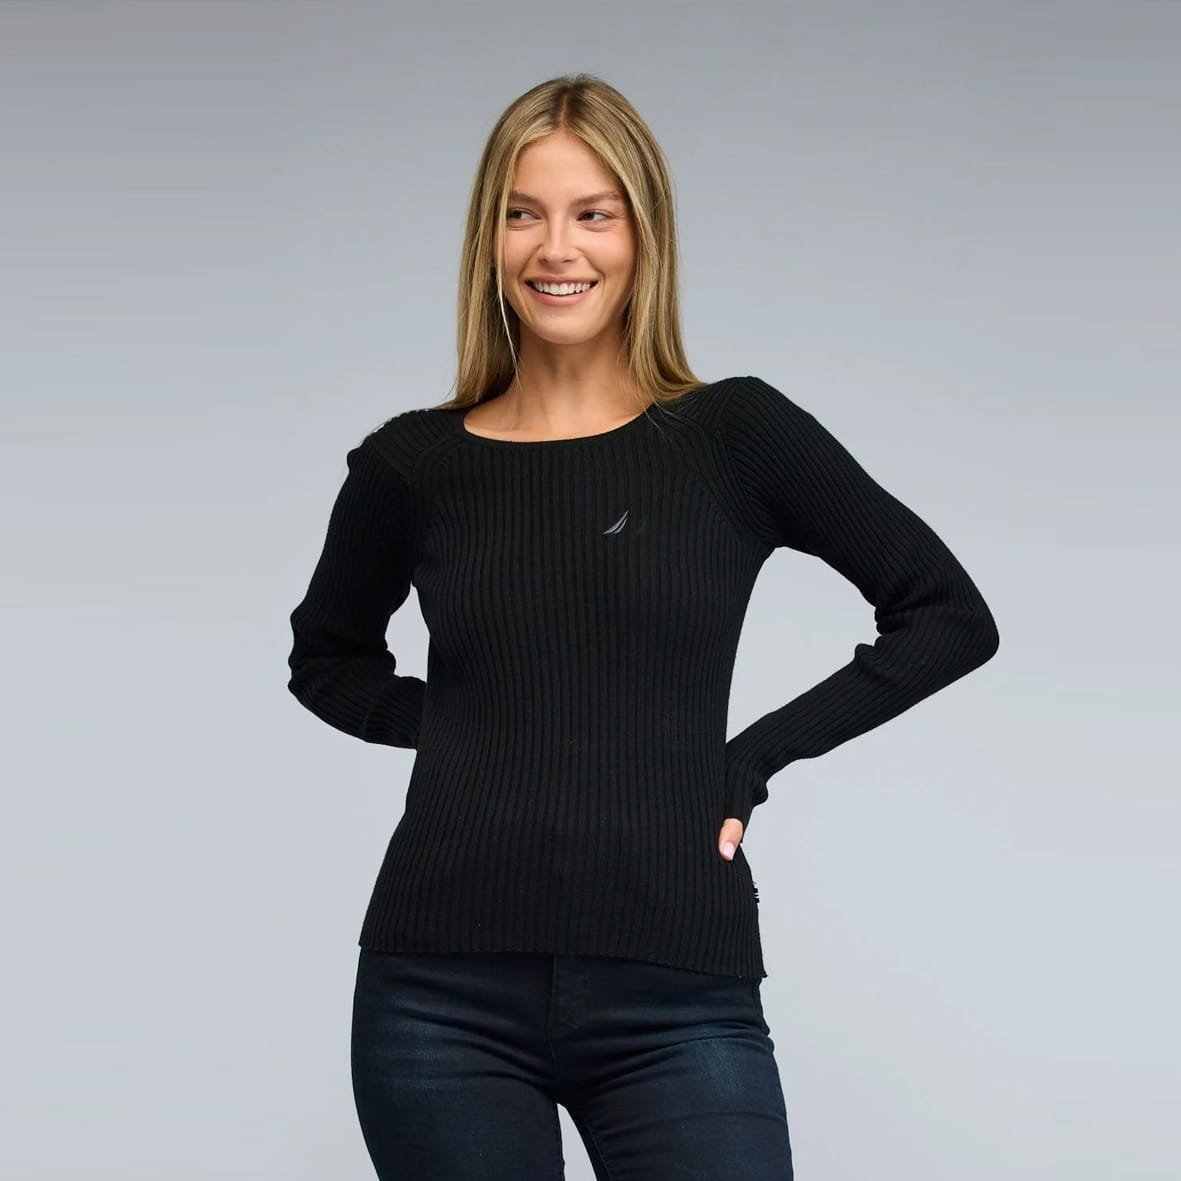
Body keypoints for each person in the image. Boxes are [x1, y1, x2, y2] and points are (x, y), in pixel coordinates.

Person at [285, 73, 999, 1181]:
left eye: (592, 213)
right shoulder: (411, 464)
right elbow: (324, 660)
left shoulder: (731, 436)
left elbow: (946, 614)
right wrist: (473, 725)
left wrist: (750, 758)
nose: (555, 248)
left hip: (676, 990)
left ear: (641, 235)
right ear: (487, 239)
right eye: (522, 213)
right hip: (438, 992)